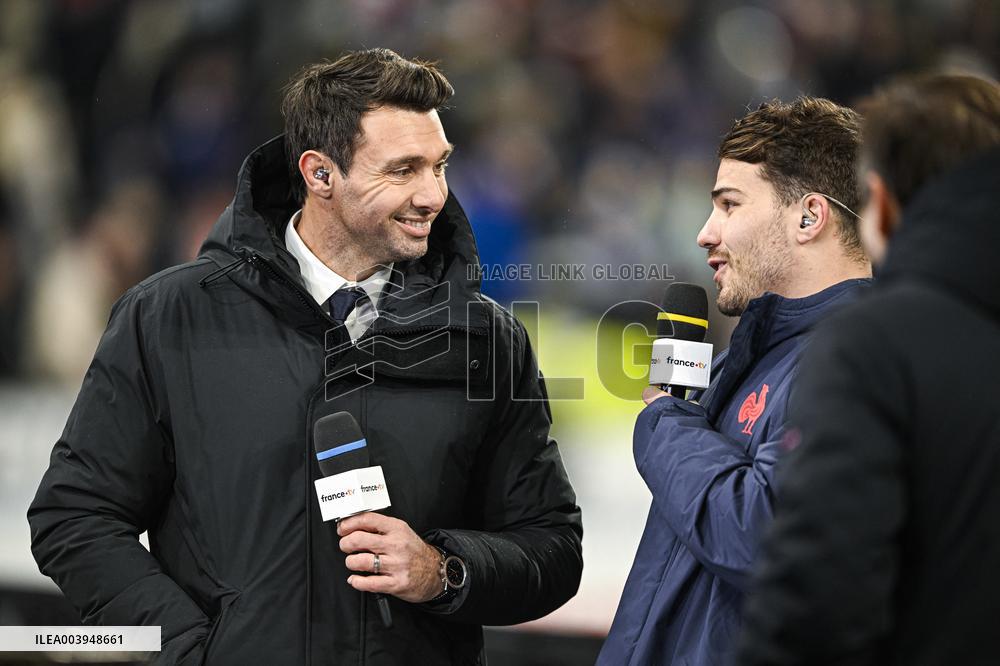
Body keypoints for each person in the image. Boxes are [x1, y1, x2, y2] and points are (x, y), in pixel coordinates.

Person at [28, 48, 583, 665]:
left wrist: (444, 570)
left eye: (440, 165)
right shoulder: (169, 318)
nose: (434, 195)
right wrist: (190, 650)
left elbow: (552, 549)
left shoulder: (490, 341)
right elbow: (76, 518)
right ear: (320, 175)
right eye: (403, 170)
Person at [598, 96, 872, 665]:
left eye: (729, 204)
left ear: (809, 216)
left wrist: (665, 421)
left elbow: (762, 537)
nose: (705, 233)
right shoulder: (745, 358)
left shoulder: (860, 359)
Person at [738, 74, 1000, 666]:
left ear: (880, 202)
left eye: (730, 203)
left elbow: (818, 598)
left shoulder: (874, 343)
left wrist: (664, 425)